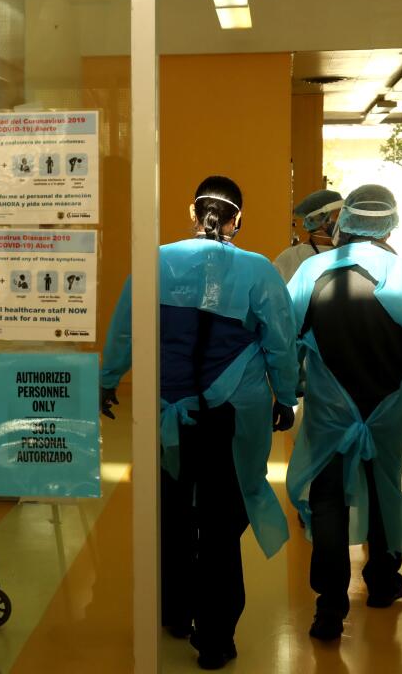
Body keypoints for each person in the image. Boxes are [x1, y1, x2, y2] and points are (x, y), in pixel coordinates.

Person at [100, 175, 299, 670]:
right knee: (220, 518)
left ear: (194, 211)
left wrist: (107, 381)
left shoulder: (156, 261)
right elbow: (280, 340)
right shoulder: (257, 271)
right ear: (238, 219)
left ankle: (173, 610)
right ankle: (215, 639)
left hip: (167, 412)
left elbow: (125, 328)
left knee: (170, 509)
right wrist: (287, 396)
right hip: (231, 414)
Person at [285, 184, 402, 641]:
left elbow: (285, 341)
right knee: (384, 488)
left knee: (327, 501)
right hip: (386, 412)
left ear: (344, 221)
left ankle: (329, 606)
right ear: (390, 223)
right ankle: (382, 581)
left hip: (329, 413)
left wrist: (284, 394)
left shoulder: (311, 272)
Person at [273, 189, 342, 283]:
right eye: (338, 216)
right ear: (320, 221)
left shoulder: (349, 252)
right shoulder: (291, 258)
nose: (345, 221)